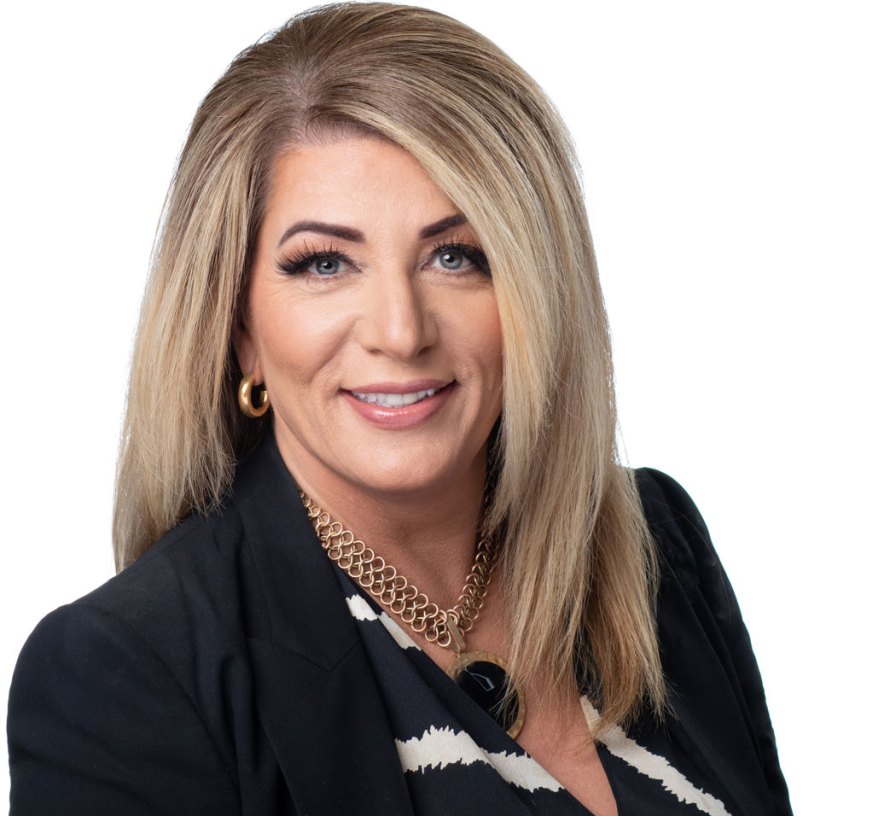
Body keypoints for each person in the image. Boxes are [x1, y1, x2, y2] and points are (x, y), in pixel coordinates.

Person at [7, 4, 791, 814]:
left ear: (535, 289)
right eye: (324, 264)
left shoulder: (655, 547)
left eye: (456, 256)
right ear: (239, 328)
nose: (401, 331)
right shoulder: (129, 671)